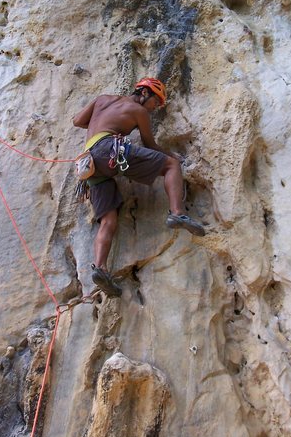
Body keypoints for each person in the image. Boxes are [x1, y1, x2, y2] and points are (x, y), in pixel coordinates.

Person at [72, 77, 205, 297]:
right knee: (170, 166)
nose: (155, 108)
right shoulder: (138, 110)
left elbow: (77, 121)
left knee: (108, 220)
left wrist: (100, 123)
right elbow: (150, 145)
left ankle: (100, 269)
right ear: (144, 93)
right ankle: (178, 214)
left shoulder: (101, 100)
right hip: (109, 151)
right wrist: (174, 156)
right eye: (156, 102)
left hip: (88, 164)